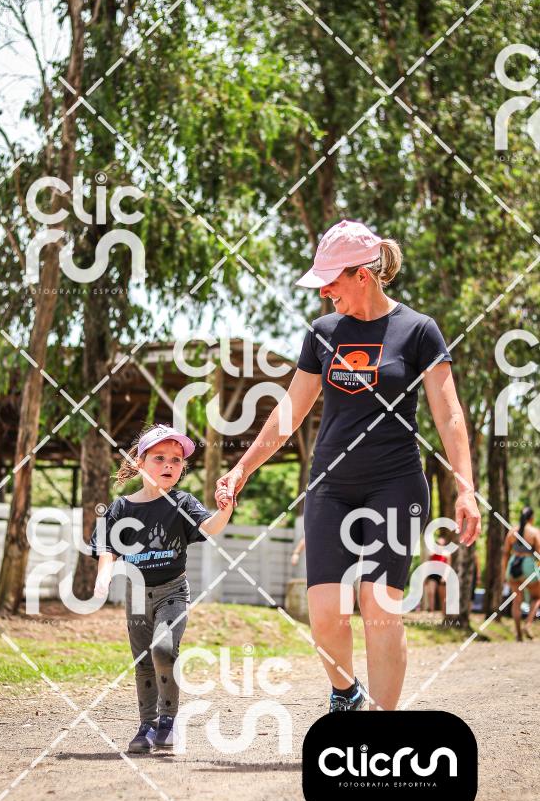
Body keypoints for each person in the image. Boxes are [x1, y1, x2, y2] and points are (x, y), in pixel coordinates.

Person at [215, 219, 481, 712]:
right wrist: (242, 469)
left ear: (363, 274)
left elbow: (449, 414)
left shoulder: (418, 330)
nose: (324, 292)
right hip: (331, 486)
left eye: (331, 281)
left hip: (395, 484)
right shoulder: (323, 334)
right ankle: (346, 693)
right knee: (324, 612)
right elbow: (289, 412)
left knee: (379, 607)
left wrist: (465, 487)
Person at [90, 423, 233, 753]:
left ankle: (168, 722)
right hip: (138, 596)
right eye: (159, 458)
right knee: (143, 661)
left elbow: (209, 527)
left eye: (176, 460)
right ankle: (147, 725)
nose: (169, 465)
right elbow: (107, 547)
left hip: (173, 591)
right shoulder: (121, 508)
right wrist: (103, 574)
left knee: (163, 649)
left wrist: (225, 509)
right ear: (140, 463)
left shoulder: (182, 502)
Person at [502, 506, 540, 641]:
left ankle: (518, 634)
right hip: (528, 565)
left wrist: (505, 573)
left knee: (516, 600)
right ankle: (528, 624)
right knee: (537, 597)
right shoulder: (534, 532)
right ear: (532, 518)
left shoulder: (512, 532)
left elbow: (505, 554)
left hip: (513, 566)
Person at [424, 535, 452, 616]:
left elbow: (448, 566)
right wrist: (426, 578)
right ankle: (431, 612)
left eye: (440, 544)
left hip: (442, 576)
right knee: (431, 592)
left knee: (442, 596)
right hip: (432, 575)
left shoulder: (447, 554)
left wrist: (445, 577)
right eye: (437, 544)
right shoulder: (431, 553)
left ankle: (444, 613)